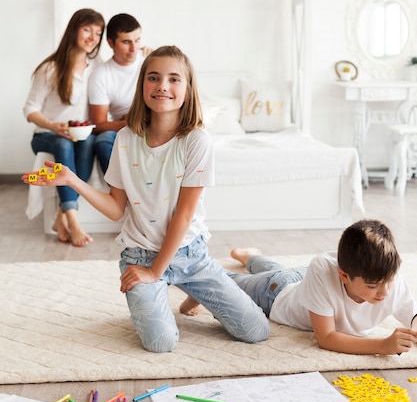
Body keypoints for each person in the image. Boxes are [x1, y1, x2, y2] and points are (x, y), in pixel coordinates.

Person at [22, 45, 270, 353]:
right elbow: (115, 209)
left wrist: (157, 272)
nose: (163, 86)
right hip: (139, 257)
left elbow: (182, 216)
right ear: (142, 86)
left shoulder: (197, 141)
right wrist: (71, 179)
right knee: (160, 343)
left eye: (174, 79)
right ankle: (184, 289)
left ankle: (218, 284)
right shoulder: (125, 139)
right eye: (153, 77)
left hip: (189, 256)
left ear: (188, 88)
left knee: (256, 331)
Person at [180, 219, 417, 356]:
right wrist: (382, 345)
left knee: (279, 270)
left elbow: (412, 316)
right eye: (373, 286)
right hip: (275, 293)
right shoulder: (323, 270)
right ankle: (197, 287)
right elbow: (326, 338)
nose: (384, 292)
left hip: (298, 280)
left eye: (389, 281)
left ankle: (249, 257)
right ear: (344, 276)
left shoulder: (389, 279)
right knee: (232, 283)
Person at [23, 8, 105, 247]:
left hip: (80, 135)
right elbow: (29, 109)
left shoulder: (96, 67)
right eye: (88, 29)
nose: (93, 37)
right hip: (46, 135)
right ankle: (73, 219)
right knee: (62, 142)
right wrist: (52, 125)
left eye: (98, 33)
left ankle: (60, 217)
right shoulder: (50, 68)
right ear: (74, 30)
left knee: (89, 142)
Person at [88, 13, 151, 174]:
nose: (134, 48)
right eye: (126, 42)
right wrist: (129, 122)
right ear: (110, 43)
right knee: (103, 141)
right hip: (125, 128)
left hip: (154, 122)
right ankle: (120, 195)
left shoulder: (149, 61)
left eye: (137, 40)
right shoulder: (101, 75)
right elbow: (98, 125)